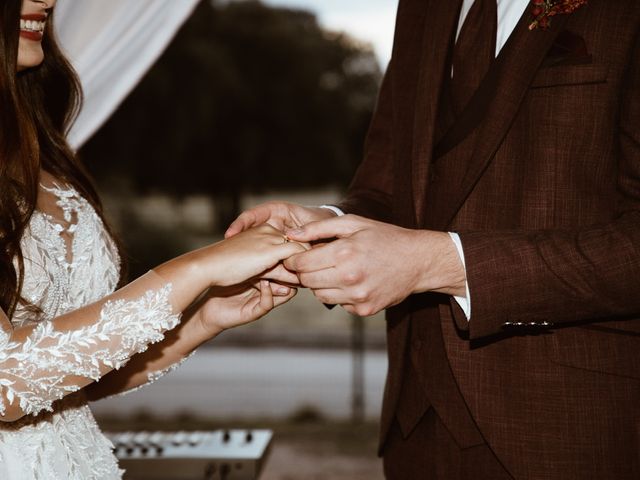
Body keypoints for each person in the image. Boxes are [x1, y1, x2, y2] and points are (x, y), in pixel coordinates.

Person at [227, 0, 640, 478]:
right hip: (415, 427)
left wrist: (438, 263)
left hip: (573, 430)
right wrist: (322, 225)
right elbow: (386, 189)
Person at [0, 1, 306, 478]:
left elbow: (65, 378)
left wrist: (204, 317)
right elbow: (7, 383)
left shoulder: (41, 149)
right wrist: (196, 268)